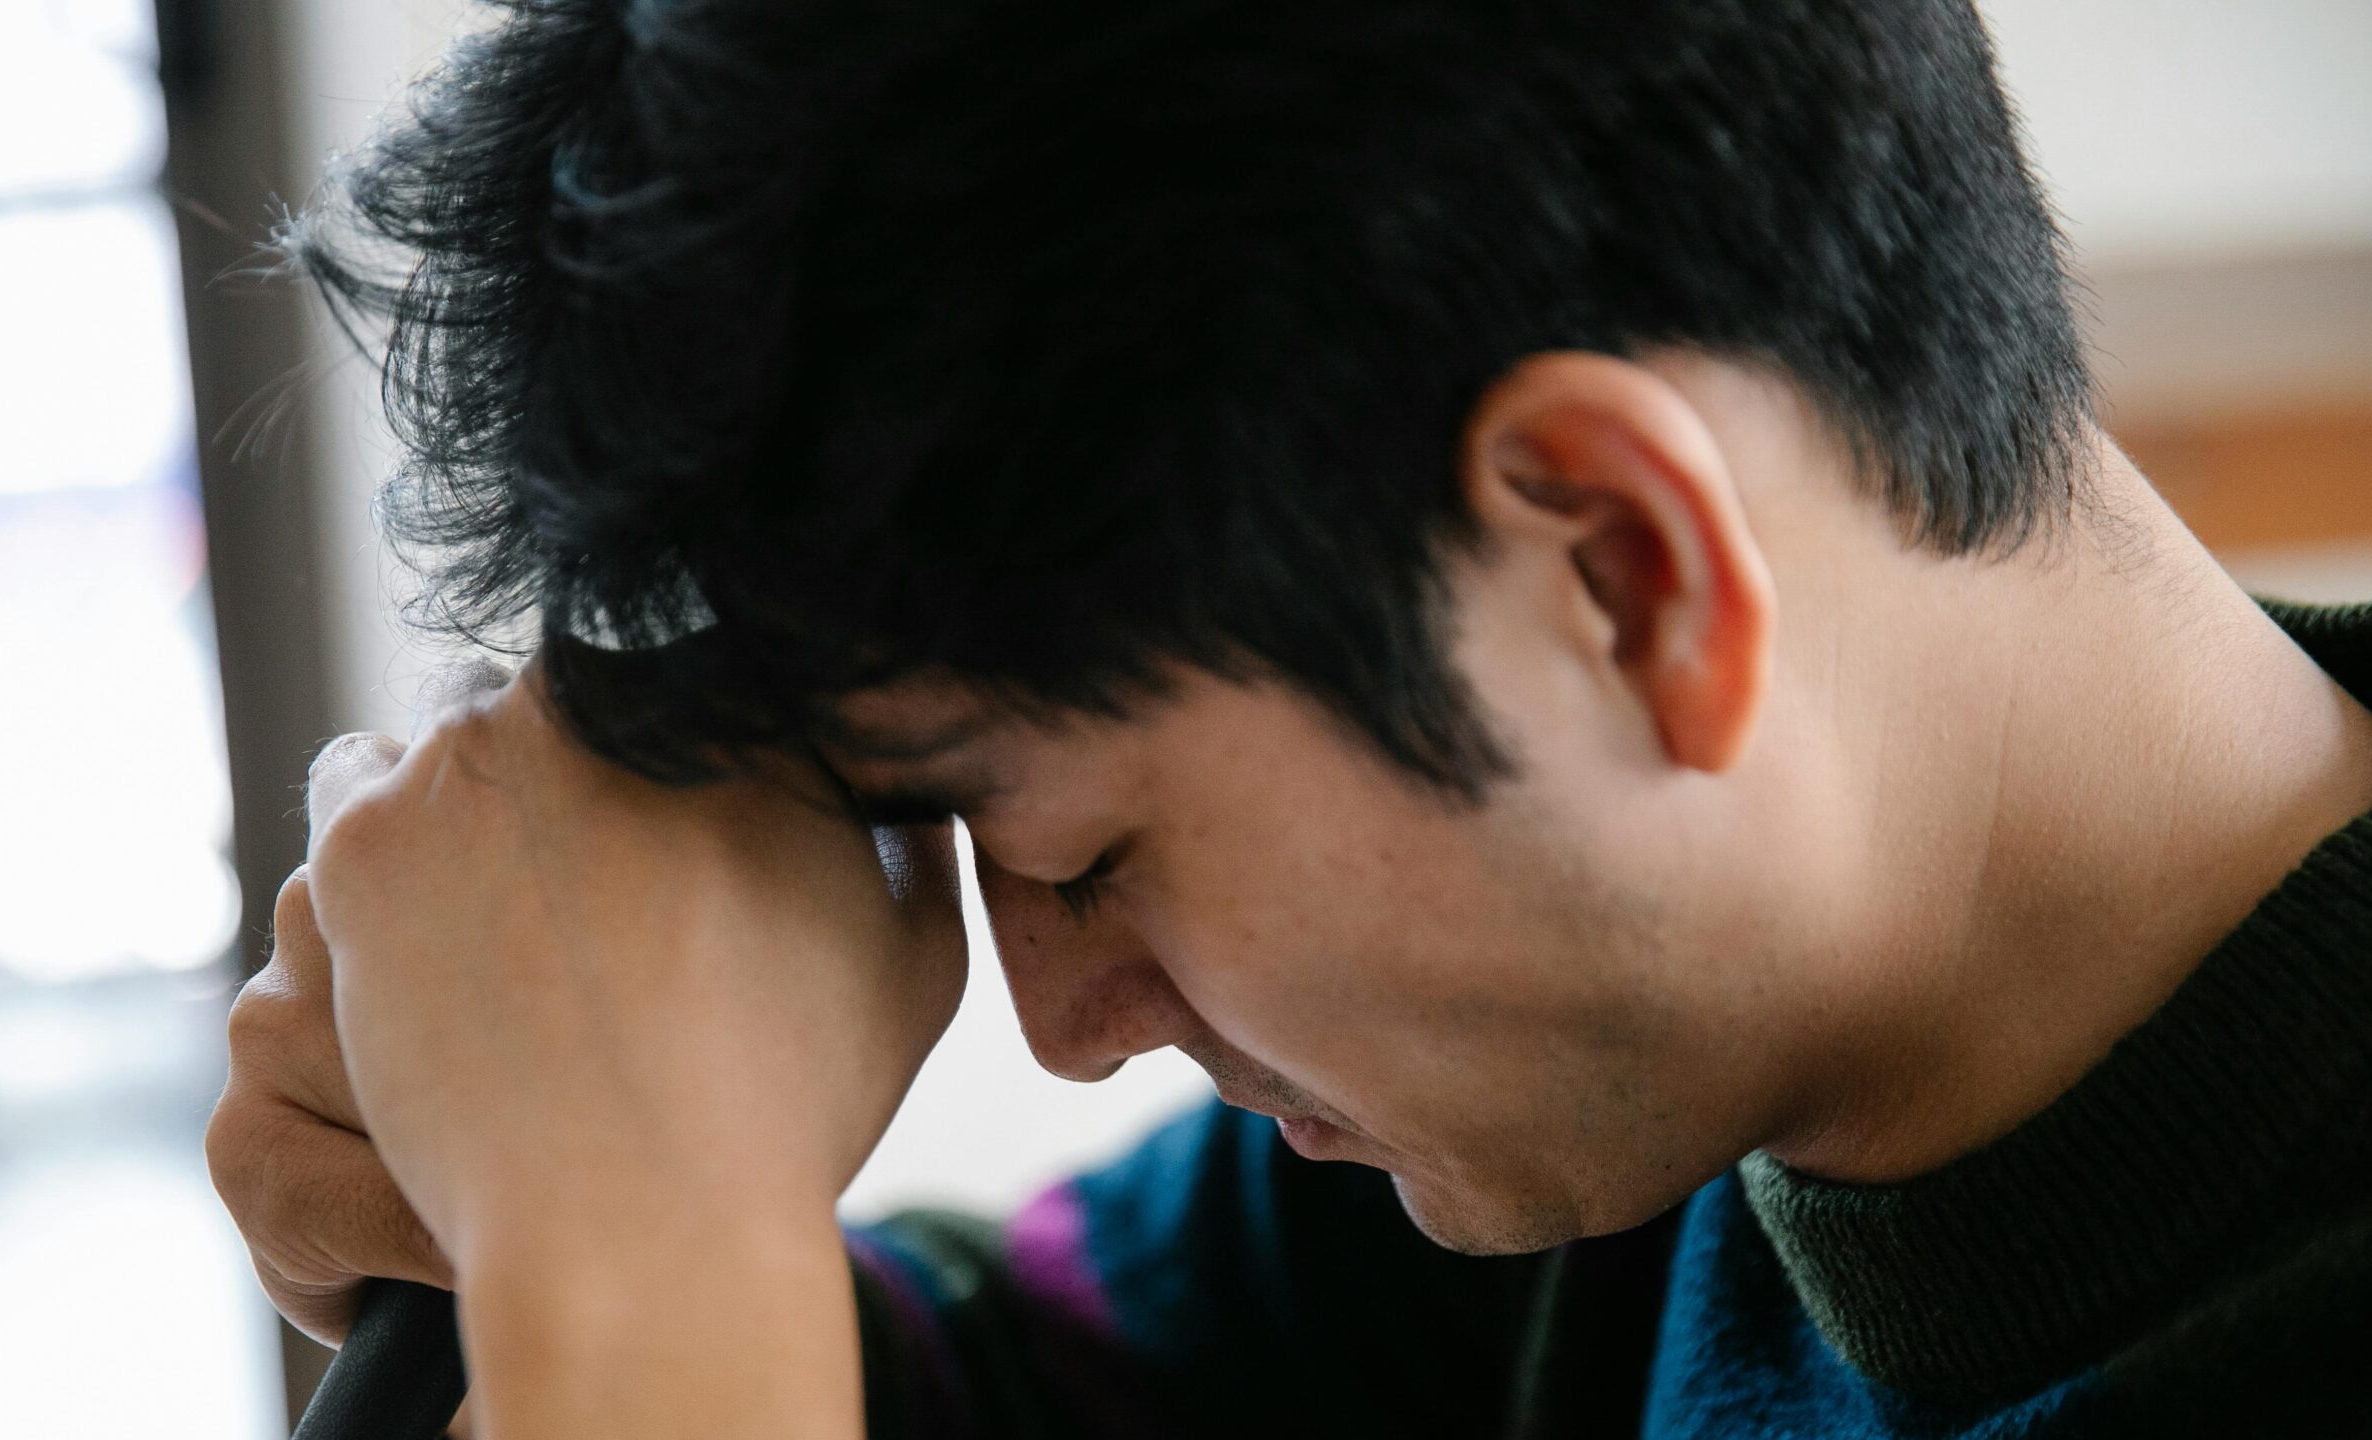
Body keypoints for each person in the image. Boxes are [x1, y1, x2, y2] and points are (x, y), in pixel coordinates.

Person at [204, 0, 2372, 1435]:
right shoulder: (1581, 1170)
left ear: (1617, 574)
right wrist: (551, 1159)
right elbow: (967, 1378)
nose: (1058, 1020)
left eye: (1078, 855)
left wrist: (631, 1249)